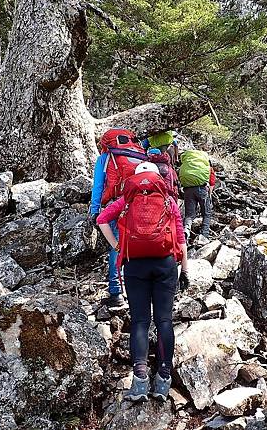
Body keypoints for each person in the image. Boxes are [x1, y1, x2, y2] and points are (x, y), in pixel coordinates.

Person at [97, 162, 189, 402]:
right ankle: (163, 379)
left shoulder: (126, 201)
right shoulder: (169, 202)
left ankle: (139, 382)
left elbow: (101, 219)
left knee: (139, 321)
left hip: (135, 264)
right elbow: (180, 238)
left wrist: (117, 247)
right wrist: (185, 270)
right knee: (164, 321)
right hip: (165, 264)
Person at [90, 128, 146, 308]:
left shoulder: (106, 158)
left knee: (117, 246)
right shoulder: (139, 155)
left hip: (117, 206)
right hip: (140, 203)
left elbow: (98, 186)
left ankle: (116, 292)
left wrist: (95, 211)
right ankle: (137, 290)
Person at [179, 149, 216, 242]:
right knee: (206, 214)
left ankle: (186, 231)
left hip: (188, 189)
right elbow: (212, 182)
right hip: (202, 189)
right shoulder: (206, 167)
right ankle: (204, 236)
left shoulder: (188, 165)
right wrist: (209, 195)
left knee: (189, 215)